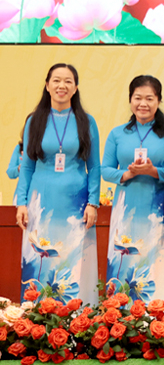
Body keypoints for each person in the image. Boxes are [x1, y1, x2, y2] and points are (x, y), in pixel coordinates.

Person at [14, 64, 100, 304]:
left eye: (68, 81)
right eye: (56, 80)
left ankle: (77, 317)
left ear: (75, 88)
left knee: (72, 260)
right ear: (47, 85)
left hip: (76, 204)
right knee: (40, 256)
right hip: (40, 203)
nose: (62, 86)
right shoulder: (35, 120)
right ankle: (36, 319)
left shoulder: (86, 121)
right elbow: (28, 166)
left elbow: (94, 167)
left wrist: (93, 202)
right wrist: (21, 203)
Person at [101, 76, 164, 304]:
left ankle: (157, 316)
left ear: (158, 101)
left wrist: (154, 172)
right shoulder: (117, 133)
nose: (143, 103)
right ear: (130, 100)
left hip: (157, 207)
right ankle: (119, 315)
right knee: (124, 257)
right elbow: (105, 170)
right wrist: (125, 175)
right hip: (125, 206)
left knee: (155, 261)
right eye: (138, 98)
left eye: (150, 98)